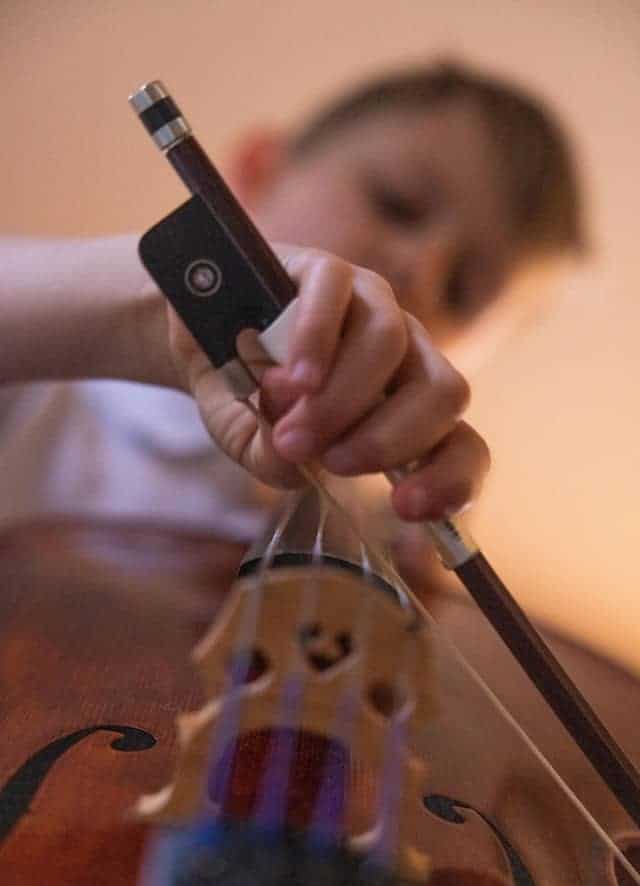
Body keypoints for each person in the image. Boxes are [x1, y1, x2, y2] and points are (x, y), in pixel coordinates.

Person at [0, 61, 583, 570]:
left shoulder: (374, 536)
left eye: (463, 289)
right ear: (257, 171)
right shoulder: (48, 391)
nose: (417, 269)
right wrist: (158, 319)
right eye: (396, 204)